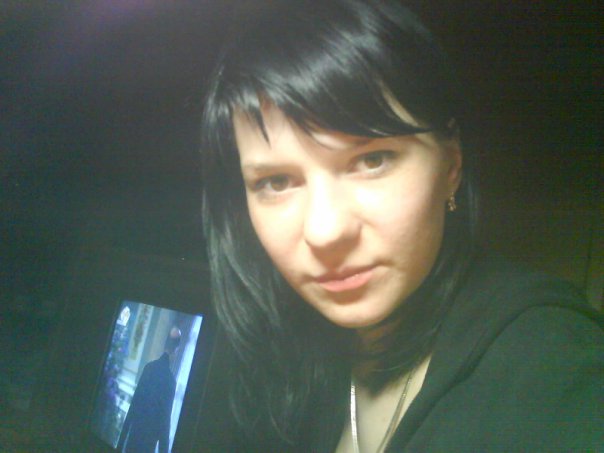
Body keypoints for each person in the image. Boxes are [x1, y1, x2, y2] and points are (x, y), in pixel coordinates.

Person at [200, 1, 603, 451]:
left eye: (372, 160)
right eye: (276, 182)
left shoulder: (554, 367)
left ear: (451, 165)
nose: (325, 231)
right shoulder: (282, 349)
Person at [117, 327, 181, 453]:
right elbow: (164, 422)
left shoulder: (149, 368)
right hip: (148, 444)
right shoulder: (170, 381)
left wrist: (120, 443)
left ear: (165, 344)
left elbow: (133, 406)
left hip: (134, 436)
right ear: (176, 350)